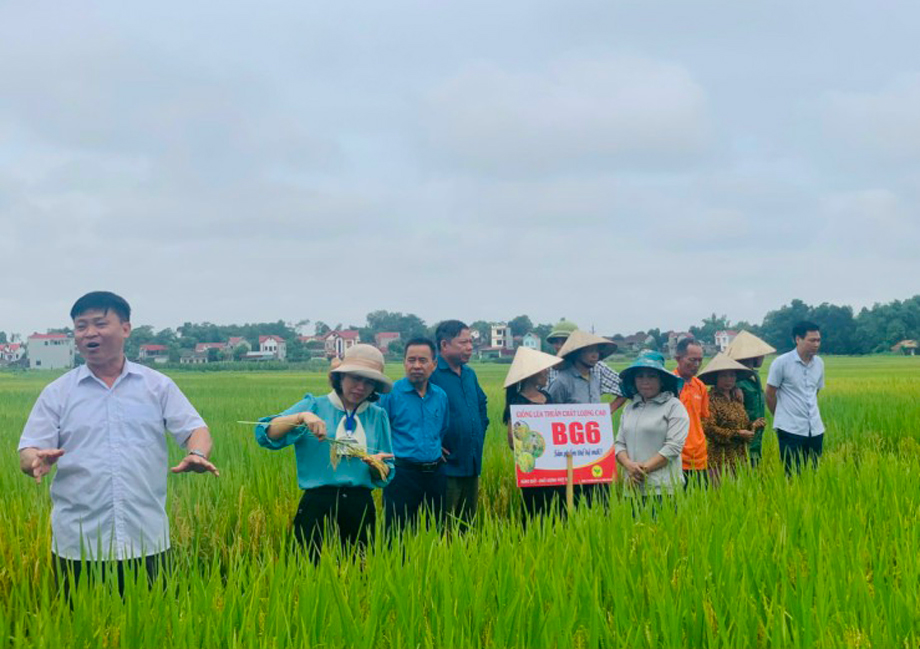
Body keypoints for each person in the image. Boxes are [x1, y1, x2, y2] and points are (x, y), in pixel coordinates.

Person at [17, 291, 219, 597]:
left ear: (125, 328)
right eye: (81, 326)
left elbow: (196, 429)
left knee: (153, 631)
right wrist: (34, 460)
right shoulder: (58, 393)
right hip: (78, 544)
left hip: (147, 539)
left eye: (99, 323)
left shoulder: (156, 386)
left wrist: (197, 453)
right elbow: (28, 449)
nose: (89, 333)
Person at [255, 344, 395, 561]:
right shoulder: (313, 406)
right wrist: (301, 417)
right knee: (308, 572)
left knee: (359, 572)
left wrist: (377, 467)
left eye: (369, 381)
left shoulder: (377, 416)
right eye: (355, 378)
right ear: (340, 377)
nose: (361, 386)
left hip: (359, 505)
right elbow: (266, 434)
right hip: (318, 503)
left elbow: (387, 472)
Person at [377, 338, 450, 531]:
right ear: (404, 363)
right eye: (411, 360)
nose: (416, 366)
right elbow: (379, 431)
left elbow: (441, 429)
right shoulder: (390, 394)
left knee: (435, 529)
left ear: (434, 365)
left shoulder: (440, 396)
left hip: (435, 473)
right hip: (402, 473)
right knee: (396, 532)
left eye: (423, 360)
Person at [547, 329, 617, 506]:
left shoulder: (594, 378)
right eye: (590, 350)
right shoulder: (562, 381)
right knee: (574, 502)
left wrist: (608, 411)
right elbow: (549, 417)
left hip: (596, 453)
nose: (595, 355)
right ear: (577, 353)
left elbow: (625, 390)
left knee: (602, 502)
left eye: (597, 351)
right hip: (571, 455)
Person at [429, 320, 489, 525]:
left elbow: (481, 404)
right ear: (444, 345)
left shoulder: (469, 374)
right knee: (443, 525)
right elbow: (417, 412)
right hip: (445, 467)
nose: (470, 347)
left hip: (471, 462)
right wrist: (432, 443)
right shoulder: (432, 374)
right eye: (463, 342)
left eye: (471, 342)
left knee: (468, 524)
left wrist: (479, 431)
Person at [615, 353, 689, 511]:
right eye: (640, 376)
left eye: (651, 376)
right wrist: (628, 465)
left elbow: (674, 447)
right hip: (632, 489)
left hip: (664, 489)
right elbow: (619, 444)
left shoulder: (673, 406)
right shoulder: (629, 408)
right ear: (634, 381)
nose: (645, 381)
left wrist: (642, 470)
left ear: (662, 380)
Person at [502, 347, 564, 518]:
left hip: (555, 466)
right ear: (533, 373)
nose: (547, 373)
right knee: (535, 511)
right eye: (544, 369)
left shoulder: (547, 397)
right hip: (533, 468)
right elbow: (512, 442)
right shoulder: (518, 402)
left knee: (558, 509)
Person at [766, 321, 825, 475]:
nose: (816, 344)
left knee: (813, 473)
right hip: (789, 429)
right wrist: (780, 416)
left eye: (818, 340)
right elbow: (770, 393)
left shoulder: (819, 363)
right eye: (812, 340)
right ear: (798, 339)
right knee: (792, 474)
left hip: (815, 429)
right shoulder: (781, 363)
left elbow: (815, 391)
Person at [546, 320, 627, 413]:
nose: (560, 346)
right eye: (556, 342)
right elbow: (548, 410)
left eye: (565, 341)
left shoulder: (596, 368)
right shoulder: (549, 371)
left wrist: (606, 412)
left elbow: (625, 387)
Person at [698, 354, 756, 482]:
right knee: (721, 496)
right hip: (719, 459)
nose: (728, 379)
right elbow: (709, 428)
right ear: (715, 378)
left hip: (740, 456)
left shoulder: (737, 397)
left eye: (732, 375)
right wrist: (737, 434)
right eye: (724, 376)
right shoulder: (710, 399)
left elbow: (742, 423)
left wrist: (753, 426)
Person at [725, 331, 775, 466]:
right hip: (742, 438)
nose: (763, 357)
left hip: (756, 436)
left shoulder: (754, 376)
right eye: (761, 354)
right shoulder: (734, 382)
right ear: (752, 356)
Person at [673, 337, 710, 489]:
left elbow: (703, 418)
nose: (696, 365)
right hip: (675, 456)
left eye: (700, 360)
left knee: (700, 505)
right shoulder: (668, 384)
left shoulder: (700, 386)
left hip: (699, 457)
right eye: (692, 360)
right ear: (678, 358)